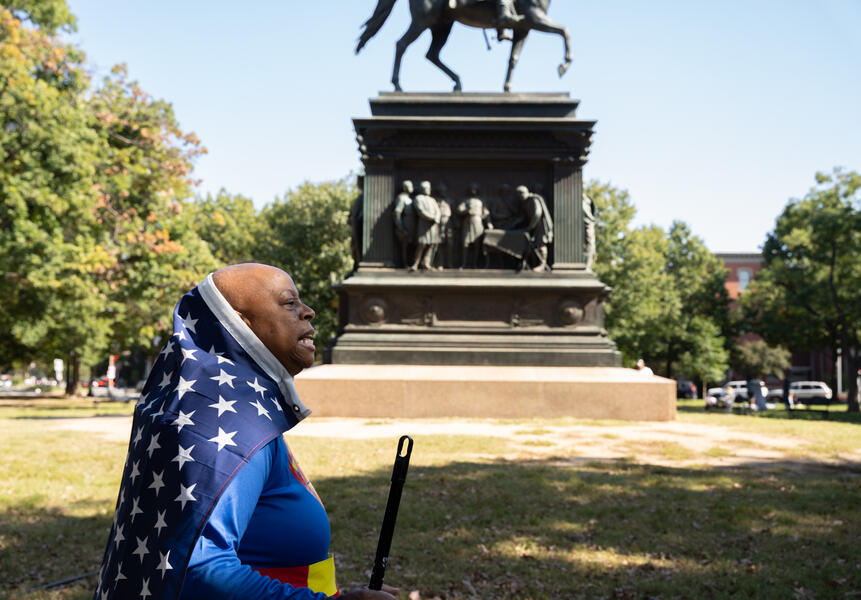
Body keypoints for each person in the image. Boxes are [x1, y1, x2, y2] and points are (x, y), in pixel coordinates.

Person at [93, 263, 398, 600]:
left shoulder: (226, 409)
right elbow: (200, 570)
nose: (308, 312)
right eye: (289, 303)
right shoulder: (224, 421)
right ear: (240, 322)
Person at [515, 185, 553, 272]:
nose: (519, 198)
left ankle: (542, 264)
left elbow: (537, 214)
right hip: (534, 226)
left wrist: (530, 227)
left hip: (541, 226)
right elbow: (522, 217)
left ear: (522, 193)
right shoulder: (526, 203)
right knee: (533, 245)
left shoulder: (533, 199)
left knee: (541, 243)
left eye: (519, 195)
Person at [409, 180, 441, 271]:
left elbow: (438, 210)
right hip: (424, 223)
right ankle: (416, 263)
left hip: (433, 225)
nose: (429, 190)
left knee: (431, 244)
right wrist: (431, 218)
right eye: (427, 188)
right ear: (423, 189)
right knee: (422, 243)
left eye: (429, 188)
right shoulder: (418, 198)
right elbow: (420, 211)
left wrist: (436, 218)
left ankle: (426, 263)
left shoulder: (432, 199)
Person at [392, 180, 416, 268]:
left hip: (412, 223)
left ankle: (411, 263)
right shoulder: (401, 198)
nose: (412, 188)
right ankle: (404, 264)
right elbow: (397, 213)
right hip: (406, 222)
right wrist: (401, 227)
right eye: (410, 186)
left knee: (411, 245)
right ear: (405, 187)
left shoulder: (410, 198)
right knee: (404, 246)